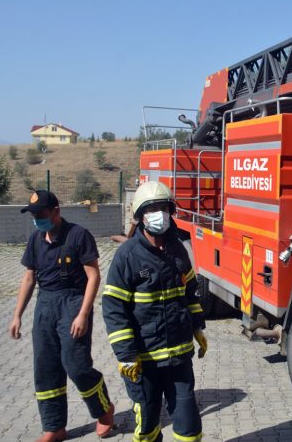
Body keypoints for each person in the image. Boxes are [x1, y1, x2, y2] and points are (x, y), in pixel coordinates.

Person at [102, 181, 208, 442]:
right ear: (140, 216)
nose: (159, 214)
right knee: (147, 428)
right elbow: (114, 309)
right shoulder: (127, 256)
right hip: (144, 361)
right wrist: (126, 355)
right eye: (152, 209)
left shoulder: (178, 250)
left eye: (163, 208)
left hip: (179, 357)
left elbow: (190, 294)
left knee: (189, 427)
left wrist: (197, 326)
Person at [8, 190, 114, 442]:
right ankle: (54, 427)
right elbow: (29, 277)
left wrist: (83, 314)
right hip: (45, 306)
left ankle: (104, 410)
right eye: (33, 215)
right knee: (45, 369)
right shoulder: (35, 239)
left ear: (56, 211)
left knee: (76, 365)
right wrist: (17, 315)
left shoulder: (79, 235)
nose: (37, 219)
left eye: (41, 214)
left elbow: (93, 276)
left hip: (72, 303)